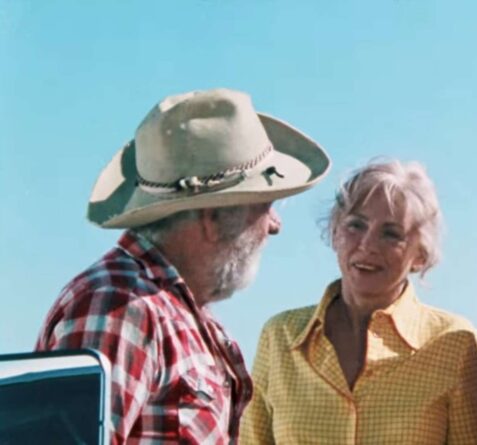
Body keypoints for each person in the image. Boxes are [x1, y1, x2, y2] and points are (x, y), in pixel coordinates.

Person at [35, 88, 331, 444]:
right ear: (212, 218)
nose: (274, 225)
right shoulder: (122, 307)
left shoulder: (168, 312)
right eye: (264, 206)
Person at [240, 160, 477, 444]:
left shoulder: (453, 342)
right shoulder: (279, 337)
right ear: (335, 233)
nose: (368, 245)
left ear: (420, 255)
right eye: (356, 225)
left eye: (391, 234)